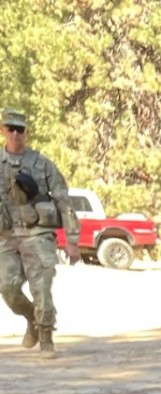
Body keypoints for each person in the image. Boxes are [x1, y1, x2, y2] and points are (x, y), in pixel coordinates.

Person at [0, 108, 77, 355]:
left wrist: (72, 239)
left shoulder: (42, 164)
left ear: (26, 133)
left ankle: (45, 336)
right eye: (10, 128)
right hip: (7, 235)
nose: (15, 133)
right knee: (7, 286)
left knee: (41, 285)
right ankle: (33, 317)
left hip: (38, 233)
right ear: (2, 130)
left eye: (19, 129)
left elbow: (64, 200)